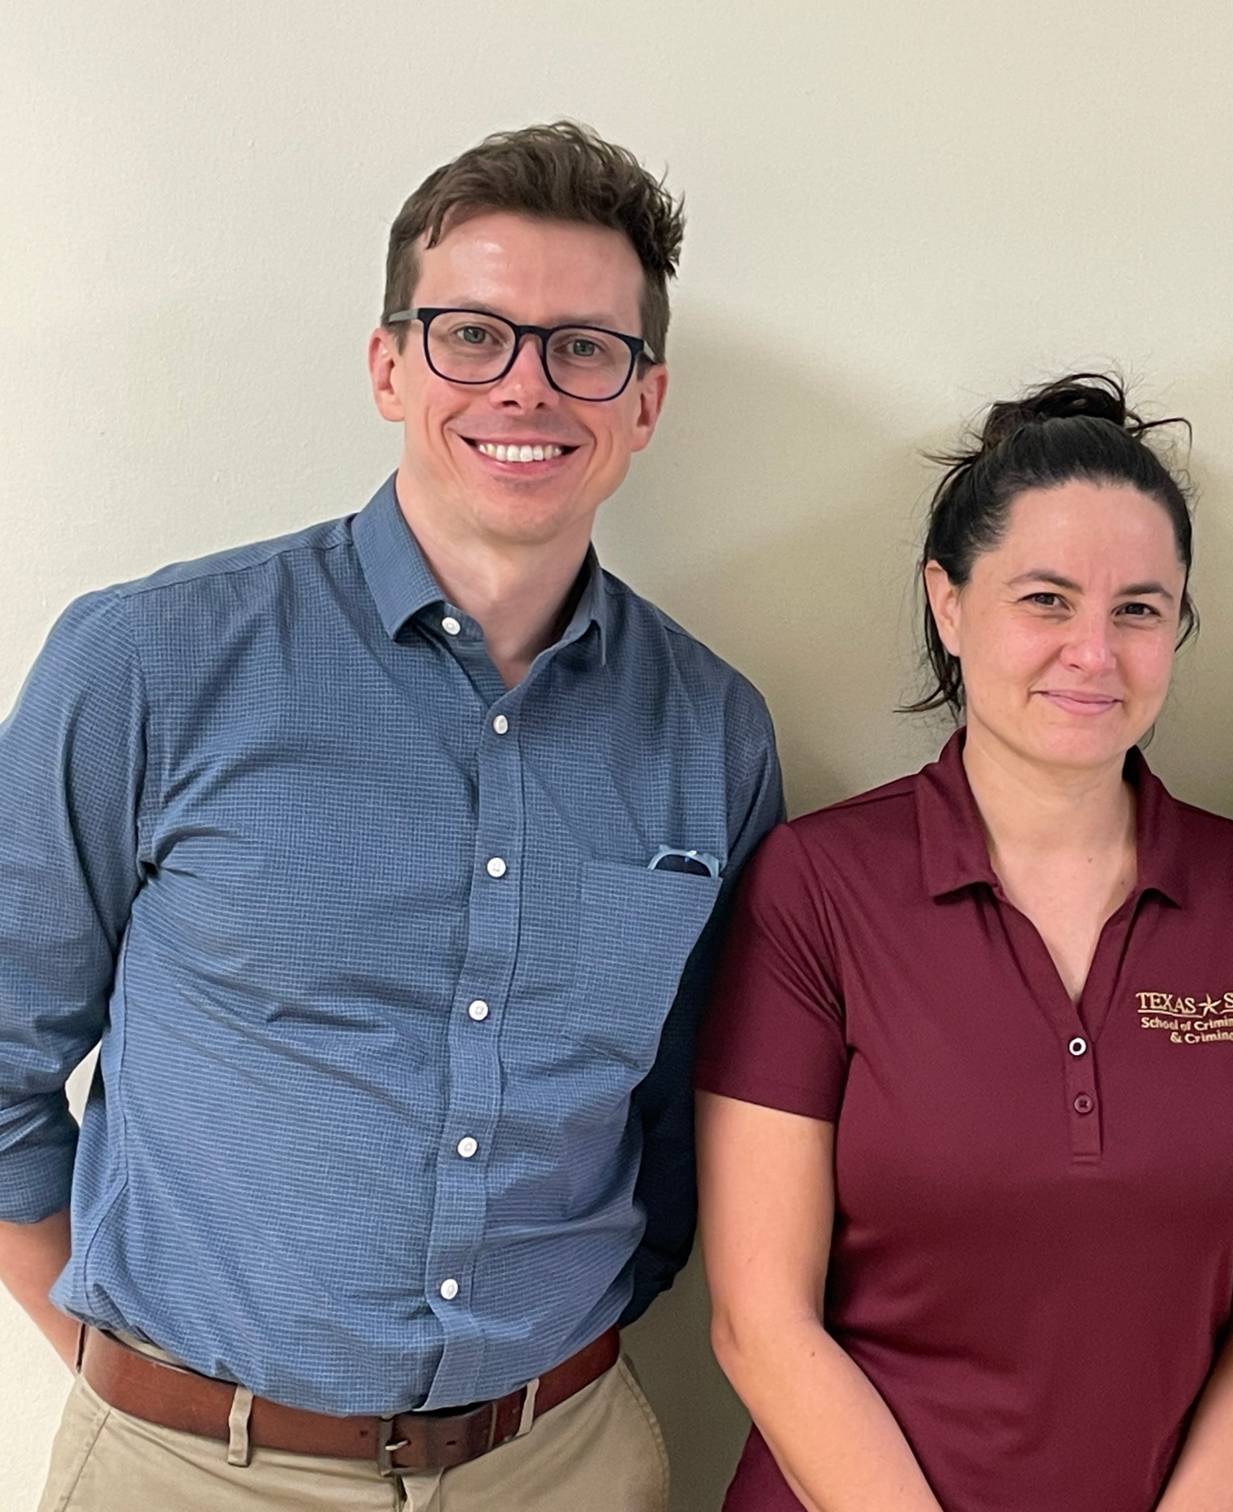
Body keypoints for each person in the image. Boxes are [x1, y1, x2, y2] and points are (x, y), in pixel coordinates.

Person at [0, 120, 782, 1510]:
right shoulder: (151, 663)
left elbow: (681, 1120)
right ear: (389, 366)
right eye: (472, 334)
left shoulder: (711, 730)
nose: (527, 387)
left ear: (643, 401)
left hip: (566, 1464)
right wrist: (132, 1385)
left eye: (584, 348)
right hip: (189, 1469)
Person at [694, 374, 1233, 1512]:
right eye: (1046, 600)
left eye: (1140, 609)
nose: (1094, 653)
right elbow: (761, 1319)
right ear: (949, 606)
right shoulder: (819, 886)